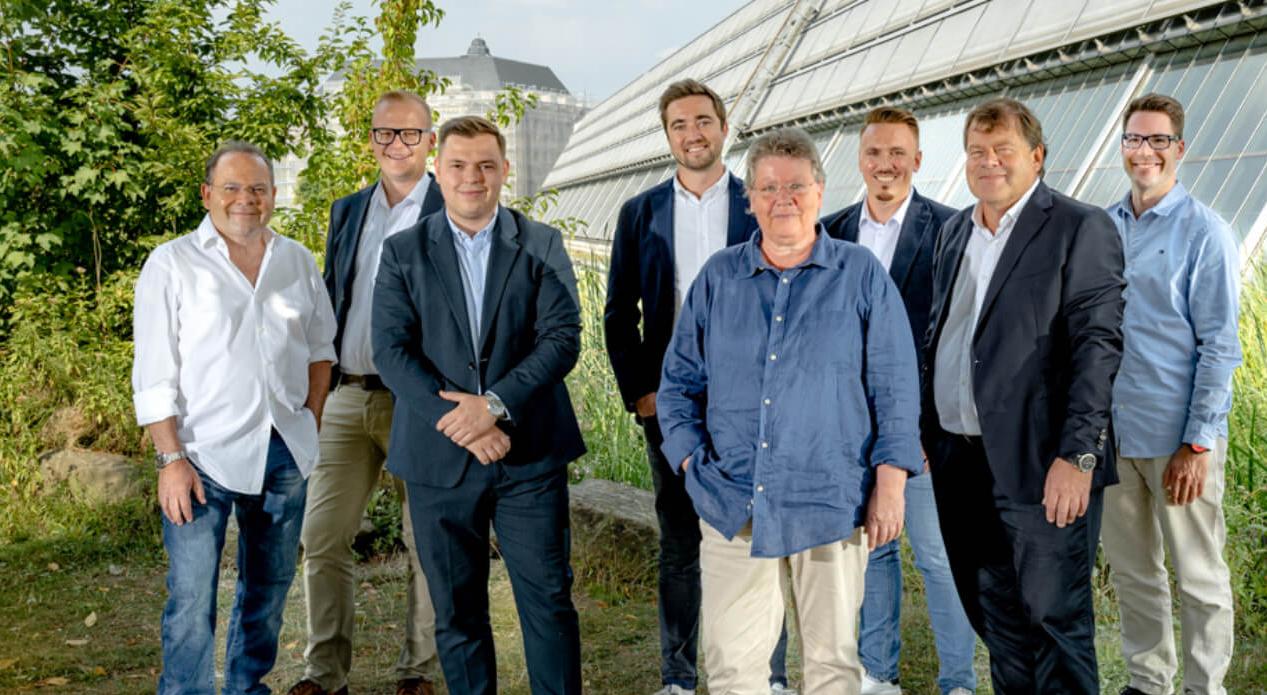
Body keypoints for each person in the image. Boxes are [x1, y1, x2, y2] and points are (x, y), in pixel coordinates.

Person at [657, 127, 923, 695]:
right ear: (750, 199)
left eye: (796, 186)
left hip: (830, 500)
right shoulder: (718, 278)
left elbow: (896, 387)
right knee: (733, 668)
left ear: (820, 192)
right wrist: (690, 463)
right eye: (769, 187)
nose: (784, 199)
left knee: (832, 665)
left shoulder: (861, 275)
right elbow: (677, 384)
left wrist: (890, 483)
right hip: (733, 501)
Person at [372, 115, 586, 695]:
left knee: (548, 603)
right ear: (438, 171)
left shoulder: (540, 243)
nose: (473, 177)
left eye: (486, 165)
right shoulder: (402, 252)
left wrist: (492, 405)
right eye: (459, 165)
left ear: (504, 171)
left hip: (529, 456)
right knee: (457, 612)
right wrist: (464, 423)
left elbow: (562, 338)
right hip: (438, 460)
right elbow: (391, 351)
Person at [921, 98, 1124, 694]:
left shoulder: (1079, 227)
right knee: (997, 618)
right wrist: (924, 426)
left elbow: (1097, 350)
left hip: (1043, 464)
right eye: (977, 152)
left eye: (1002, 150)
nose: (988, 162)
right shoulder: (955, 230)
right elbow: (942, 334)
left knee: (1054, 621)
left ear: (1036, 157)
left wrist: (1078, 456)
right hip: (961, 462)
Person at [604, 78, 792, 695]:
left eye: (703, 121)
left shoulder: (757, 201)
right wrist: (642, 394)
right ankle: (679, 677)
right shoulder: (640, 213)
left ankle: (769, 674)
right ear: (667, 136)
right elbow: (619, 313)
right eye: (679, 124)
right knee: (680, 539)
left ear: (724, 127)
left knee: (761, 534)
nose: (693, 134)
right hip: (673, 402)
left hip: (753, 401)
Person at [132, 141, 336, 694]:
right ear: (207, 194)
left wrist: (311, 420)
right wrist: (170, 459)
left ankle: (248, 688)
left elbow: (321, 348)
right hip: (199, 457)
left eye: (258, 189)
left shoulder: (296, 260)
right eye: (232, 188)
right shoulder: (172, 263)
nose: (246, 198)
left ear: (273, 196)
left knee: (268, 590)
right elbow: (154, 372)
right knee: (191, 595)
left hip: (283, 451)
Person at [288, 90, 444, 695]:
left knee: (425, 540)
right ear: (371, 139)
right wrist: (317, 389)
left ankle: (418, 671)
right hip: (348, 395)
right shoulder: (348, 210)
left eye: (409, 133)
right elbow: (333, 296)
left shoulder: (451, 208)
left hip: (419, 400)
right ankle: (324, 673)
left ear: (430, 140)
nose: (396, 144)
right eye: (385, 133)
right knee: (322, 536)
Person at [820, 106, 975, 695]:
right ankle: (877, 673)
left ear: (918, 160)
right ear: (860, 160)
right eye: (874, 153)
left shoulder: (950, 229)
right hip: (850, 433)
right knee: (874, 554)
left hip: (923, 436)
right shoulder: (830, 231)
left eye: (897, 153)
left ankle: (958, 680)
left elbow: (956, 339)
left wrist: (923, 432)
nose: (885, 164)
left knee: (939, 558)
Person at [1101, 93, 1241, 695]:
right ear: (1123, 146)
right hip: (1113, 435)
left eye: (1158, 140)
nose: (1145, 151)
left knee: (1199, 575)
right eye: (1135, 139)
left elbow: (1221, 346)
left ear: (1179, 149)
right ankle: (1148, 681)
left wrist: (1198, 444)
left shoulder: (1206, 232)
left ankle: (1205, 687)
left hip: (1178, 439)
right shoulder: (1102, 227)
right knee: (1134, 574)